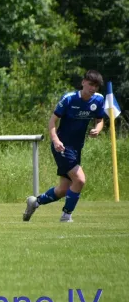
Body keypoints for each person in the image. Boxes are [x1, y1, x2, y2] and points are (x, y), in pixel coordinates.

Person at [23, 70, 106, 223]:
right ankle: (66, 215)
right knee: (80, 180)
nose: (92, 88)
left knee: (63, 189)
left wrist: (97, 129)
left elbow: (100, 120)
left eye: (96, 86)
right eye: (90, 84)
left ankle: (34, 202)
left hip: (76, 148)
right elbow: (52, 122)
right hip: (62, 147)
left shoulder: (99, 100)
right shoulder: (69, 99)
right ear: (83, 82)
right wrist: (55, 140)